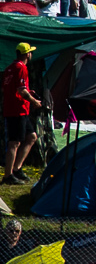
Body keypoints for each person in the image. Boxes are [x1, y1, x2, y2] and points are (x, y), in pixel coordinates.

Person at [3, 41, 39, 183]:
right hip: (17, 110)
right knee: (14, 142)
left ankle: (16, 168)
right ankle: (8, 175)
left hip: (18, 110)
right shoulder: (21, 68)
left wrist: (29, 92)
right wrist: (34, 101)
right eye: (30, 52)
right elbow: (21, 91)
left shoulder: (10, 68)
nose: (31, 54)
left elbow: (12, 88)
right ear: (26, 54)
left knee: (31, 137)